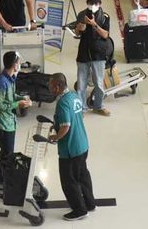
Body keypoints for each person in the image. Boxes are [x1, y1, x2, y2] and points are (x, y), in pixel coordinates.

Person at [48, 73, 97, 221]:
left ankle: (79, 210)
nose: (49, 88)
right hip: (82, 144)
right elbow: (80, 115)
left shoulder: (62, 102)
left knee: (69, 181)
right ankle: (90, 203)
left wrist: (55, 137)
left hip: (70, 150)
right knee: (82, 175)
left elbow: (66, 127)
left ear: (57, 87)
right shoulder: (75, 96)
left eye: (50, 86)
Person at [0, 51, 32, 184]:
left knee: (6, 154)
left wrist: (22, 98)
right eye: (19, 63)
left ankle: (2, 182)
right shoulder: (1, 82)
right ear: (14, 65)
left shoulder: (11, 78)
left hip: (9, 122)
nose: (20, 65)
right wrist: (17, 104)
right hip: (2, 125)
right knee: (7, 155)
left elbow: (11, 96)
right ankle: (0, 183)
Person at [74, 0, 111, 116]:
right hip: (83, 53)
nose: (93, 5)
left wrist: (94, 24)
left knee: (99, 84)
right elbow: (77, 34)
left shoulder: (105, 17)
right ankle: (82, 109)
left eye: (95, 3)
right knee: (81, 84)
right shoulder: (81, 14)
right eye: (90, 2)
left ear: (100, 4)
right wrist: (80, 27)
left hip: (98, 54)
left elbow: (106, 35)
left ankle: (99, 106)